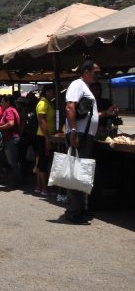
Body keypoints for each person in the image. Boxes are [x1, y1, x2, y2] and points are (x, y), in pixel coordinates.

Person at [64, 60, 101, 224]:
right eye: (96, 72)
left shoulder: (85, 87)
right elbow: (70, 107)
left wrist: (104, 113)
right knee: (76, 173)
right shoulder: (77, 84)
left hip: (83, 134)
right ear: (86, 71)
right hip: (78, 134)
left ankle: (78, 209)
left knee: (81, 172)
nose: (98, 75)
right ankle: (73, 211)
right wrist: (73, 131)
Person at [0, 95, 22, 189]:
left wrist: (0, 127)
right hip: (7, 140)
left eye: (2, 101)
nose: (1, 103)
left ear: (7, 102)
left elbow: (11, 123)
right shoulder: (11, 110)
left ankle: (18, 182)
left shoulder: (9, 110)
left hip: (10, 139)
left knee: (13, 162)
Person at [35, 84, 56, 196]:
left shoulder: (47, 102)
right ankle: (45, 188)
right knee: (43, 162)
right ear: (47, 92)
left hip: (44, 136)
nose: (54, 94)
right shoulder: (43, 103)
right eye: (53, 92)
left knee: (40, 162)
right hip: (42, 136)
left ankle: (39, 186)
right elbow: (42, 121)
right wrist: (47, 138)